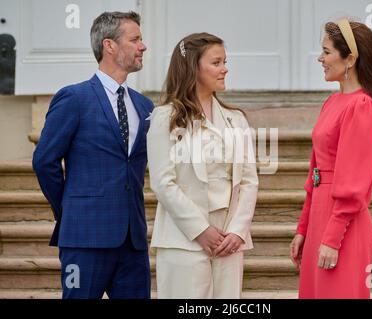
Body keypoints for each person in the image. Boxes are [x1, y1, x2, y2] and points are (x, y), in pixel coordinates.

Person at [32, 11, 154, 299]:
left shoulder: (145, 106)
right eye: (135, 39)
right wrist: (70, 209)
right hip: (84, 238)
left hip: (133, 242)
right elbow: (44, 161)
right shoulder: (74, 98)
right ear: (109, 45)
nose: (143, 46)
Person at [147, 33, 259, 299]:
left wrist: (237, 231)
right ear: (193, 67)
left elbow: (248, 181)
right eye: (216, 62)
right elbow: (163, 182)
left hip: (229, 241)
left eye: (224, 61)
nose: (225, 69)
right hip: (183, 239)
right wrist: (201, 230)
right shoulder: (165, 118)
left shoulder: (236, 120)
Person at [289, 18, 372, 299]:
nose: (320, 59)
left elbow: (354, 183)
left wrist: (332, 239)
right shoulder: (332, 102)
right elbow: (315, 174)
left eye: (326, 52)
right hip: (319, 220)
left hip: (344, 228)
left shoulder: (361, 106)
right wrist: (304, 229)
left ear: (350, 58)